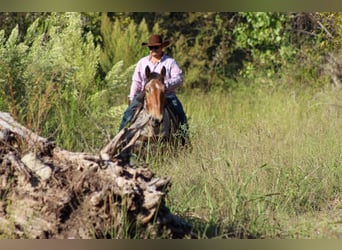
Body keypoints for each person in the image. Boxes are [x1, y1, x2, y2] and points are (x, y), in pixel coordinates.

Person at [119, 34, 189, 141]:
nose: (153, 50)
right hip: (145, 94)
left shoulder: (170, 62)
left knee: (180, 113)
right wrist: (131, 97)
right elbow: (136, 81)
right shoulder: (142, 62)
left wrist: (165, 85)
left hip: (166, 95)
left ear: (162, 47)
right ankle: (121, 139)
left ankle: (184, 140)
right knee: (128, 114)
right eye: (151, 47)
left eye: (156, 47)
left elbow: (179, 78)